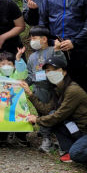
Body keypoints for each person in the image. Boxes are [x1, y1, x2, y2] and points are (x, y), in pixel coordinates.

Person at [19, 56, 87, 167]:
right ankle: (69, 150)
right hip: (82, 130)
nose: (49, 73)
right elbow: (47, 110)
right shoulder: (58, 89)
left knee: (77, 153)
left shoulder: (72, 90)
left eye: (53, 70)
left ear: (64, 72)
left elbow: (59, 115)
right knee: (52, 117)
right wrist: (30, 93)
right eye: (47, 71)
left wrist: (37, 119)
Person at [26, 25, 67, 153]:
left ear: (44, 39)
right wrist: (24, 83)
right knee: (41, 113)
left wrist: (58, 50)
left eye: (34, 37)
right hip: (38, 90)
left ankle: (60, 139)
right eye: (31, 38)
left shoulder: (52, 51)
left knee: (54, 113)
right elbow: (30, 75)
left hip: (53, 89)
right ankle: (46, 138)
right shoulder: (32, 57)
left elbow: (62, 64)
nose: (32, 40)